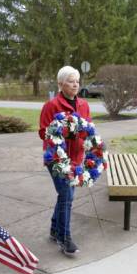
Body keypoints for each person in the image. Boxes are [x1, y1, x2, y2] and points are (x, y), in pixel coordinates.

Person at [38, 66, 91, 256]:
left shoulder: (84, 105)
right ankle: (64, 237)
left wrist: (85, 138)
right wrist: (63, 130)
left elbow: (88, 129)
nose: (75, 84)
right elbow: (43, 132)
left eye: (77, 80)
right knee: (67, 196)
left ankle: (54, 229)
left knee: (65, 196)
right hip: (56, 159)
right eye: (70, 80)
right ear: (61, 84)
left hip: (76, 159)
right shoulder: (51, 106)